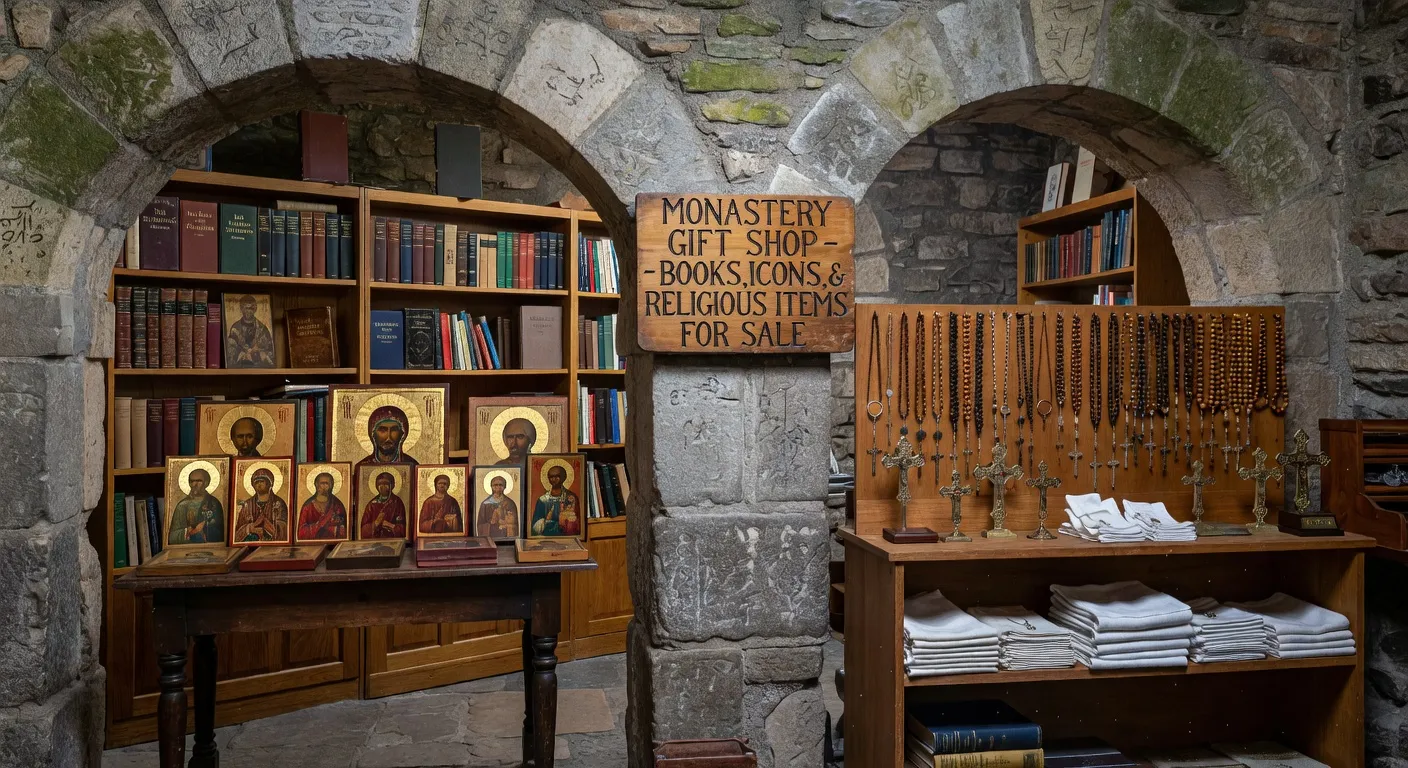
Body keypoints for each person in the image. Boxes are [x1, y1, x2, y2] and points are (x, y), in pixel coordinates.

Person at [168, 468, 224, 545]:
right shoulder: (182, 505)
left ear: (206, 483)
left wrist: (205, 527)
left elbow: (221, 533)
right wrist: (189, 531)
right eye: (192, 481)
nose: (194, 484)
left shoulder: (214, 503)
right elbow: (172, 538)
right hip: (187, 550)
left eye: (199, 481)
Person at [356, 405, 419, 471]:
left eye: (394, 430)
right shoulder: (362, 467)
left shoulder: (413, 466)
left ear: (402, 434)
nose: (388, 437)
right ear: (373, 434)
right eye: (383, 430)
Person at [233, 468, 289, 542]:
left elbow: (283, 528)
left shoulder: (278, 503)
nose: (259, 484)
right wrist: (250, 528)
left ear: (269, 483)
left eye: (262, 481)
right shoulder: (247, 504)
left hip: (272, 546)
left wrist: (267, 526)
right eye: (256, 482)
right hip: (250, 545)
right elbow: (237, 532)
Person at [225, 295, 275, 368]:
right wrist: (243, 354)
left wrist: (258, 352)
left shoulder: (262, 329)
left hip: (259, 368)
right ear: (241, 308)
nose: (249, 311)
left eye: (251, 308)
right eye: (246, 308)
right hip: (241, 368)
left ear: (255, 309)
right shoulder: (235, 329)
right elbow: (231, 353)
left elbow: (270, 353)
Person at [531, 464, 580, 537]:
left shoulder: (571, 498)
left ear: (564, 477)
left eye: (557, 476)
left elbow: (577, 523)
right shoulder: (542, 500)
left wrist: (566, 520)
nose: (554, 479)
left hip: (566, 539)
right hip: (545, 538)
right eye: (551, 477)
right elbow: (535, 526)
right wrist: (549, 523)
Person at [297, 472, 348, 540]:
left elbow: (344, 529)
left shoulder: (337, 504)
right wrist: (318, 525)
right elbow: (301, 532)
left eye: (327, 483)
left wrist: (333, 528)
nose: (324, 487)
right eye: (322, 483)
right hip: (312, 545)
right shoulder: (308, 506)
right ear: (316, 485)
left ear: (331, 485)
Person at [360, 471, 408, 539]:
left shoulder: (397, 503)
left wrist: (390, 525)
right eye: (379, 484)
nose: (383, 487)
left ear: (392, 485)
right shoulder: (372, 504)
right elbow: (363, 530)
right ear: (376, 486)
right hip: (375, 542)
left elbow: (402, 530)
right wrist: (376, 523)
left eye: (386, 484)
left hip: (392, 542)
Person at [476, 473, 519, 538]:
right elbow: (480, 525)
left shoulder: (510, 503)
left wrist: (505, 523)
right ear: (491, 486)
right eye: (495, 485)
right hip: (490, 536)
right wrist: (492, 522)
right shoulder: (485, 504)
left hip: (505, 537)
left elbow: (514, 524)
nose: (498, 487)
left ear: (504, 487)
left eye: (500, 485)